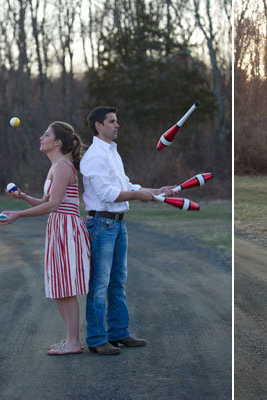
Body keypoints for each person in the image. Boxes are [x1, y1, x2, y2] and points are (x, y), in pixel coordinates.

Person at [80, 106, 174, 355]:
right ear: (98, 125)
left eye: (116, 121)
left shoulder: (113, 153)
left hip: (119, 224)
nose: (117, 125)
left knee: (117, 282)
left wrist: (155, 191)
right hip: (101, 224)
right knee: (99, 285)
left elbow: (126, 185)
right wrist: (138, 195)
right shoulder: (93, 157)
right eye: (111, 121)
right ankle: (97, 339)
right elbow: (107, 194)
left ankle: (119, 333)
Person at [0, 121, 90, 356]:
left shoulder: (62, 167)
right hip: (57, 226)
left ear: (57, 142)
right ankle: (70, 339)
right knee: (59, 286)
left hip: (67, 228)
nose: (41, 137)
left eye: (46, 134)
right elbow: (46, 202)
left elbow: (53, 205)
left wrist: (18, 215)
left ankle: (74, 342)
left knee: (67, 287)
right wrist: (22, 197)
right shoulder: (55, 167)